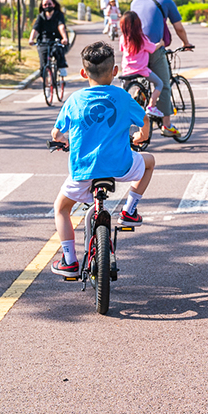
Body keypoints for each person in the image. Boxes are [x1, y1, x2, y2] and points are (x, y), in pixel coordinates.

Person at [49, 41, 154, 276]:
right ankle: (129, 210)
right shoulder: (123, 96)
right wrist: (140, 136)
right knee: (149, 162)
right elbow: (144, 120)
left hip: (83, 171)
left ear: (83, 73)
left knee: (61, 208)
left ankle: (69, 261)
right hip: (121, 165)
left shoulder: (74, 100)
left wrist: (61, 140)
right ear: (115, 71)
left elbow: (56, 132)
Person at [129, 0, 194, 138]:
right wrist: (186, 43)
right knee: (164, 83)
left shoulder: (135, 2)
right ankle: (166, 125)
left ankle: (139, 96)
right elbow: (178, 27)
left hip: (134, 50)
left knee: (143, 76)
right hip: (154, 49)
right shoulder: (166, 1)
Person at [119, 10, 165, 117]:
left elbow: (122, 49)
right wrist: (161, 43)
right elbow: (152, 48)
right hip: (141, 70)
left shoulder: (123, 39)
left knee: (124, 90)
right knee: (159, 84)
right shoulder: (142, 39)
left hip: (127, 71)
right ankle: (151, 106)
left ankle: (122, 108)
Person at [28, 0, 69, 78]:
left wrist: (64, 38)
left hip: (57, 38)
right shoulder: (40, 16)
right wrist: (31, 39)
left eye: (49, 4)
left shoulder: (59, 15)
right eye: (45, 5)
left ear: (53, 4)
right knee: (43, 64)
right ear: (42, 6)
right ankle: (46, 85)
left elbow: (61, 26)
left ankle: (61, 66)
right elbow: (35, 28)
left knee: (57, 50)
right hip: (44, 40)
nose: (47, 6)